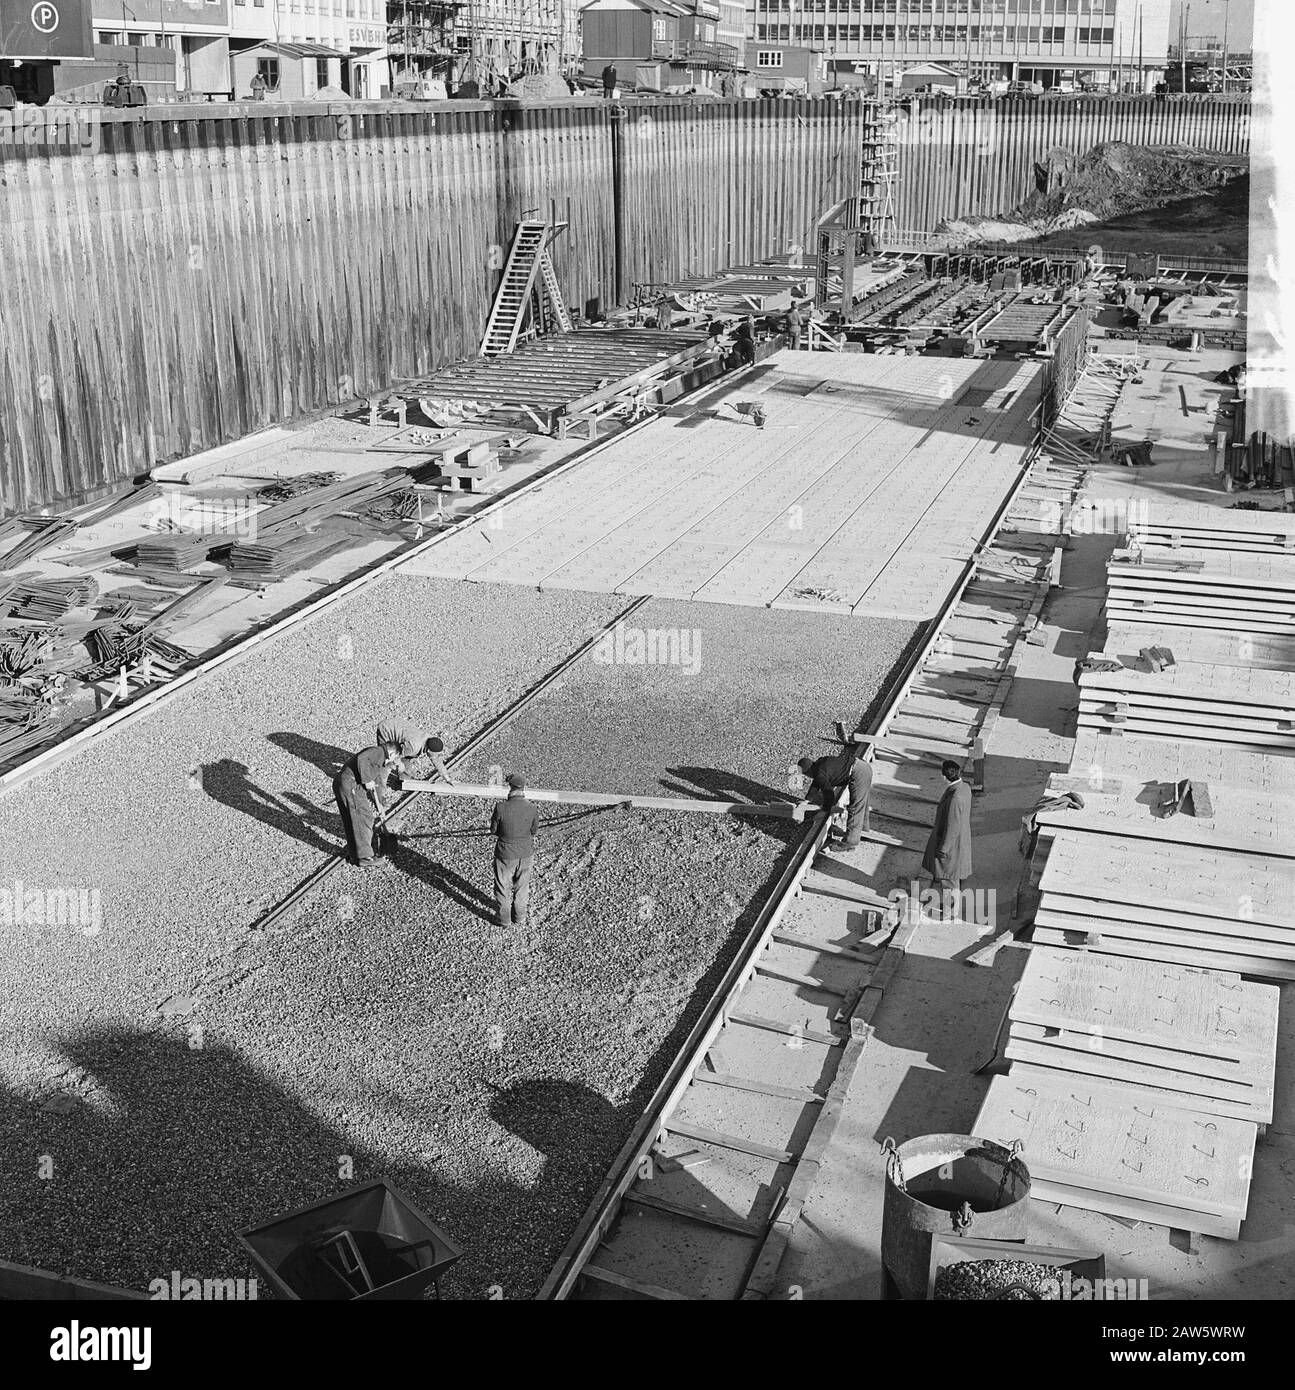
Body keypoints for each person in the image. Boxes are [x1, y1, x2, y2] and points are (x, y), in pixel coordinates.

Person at [334, 742, 401, 867]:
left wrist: (379, 805)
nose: (394, 761)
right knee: (363, 819)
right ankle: (365, 857)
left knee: (352, 820)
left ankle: (355, 854)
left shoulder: (379, 761)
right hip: (350, 784)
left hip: (345, 783)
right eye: (395, 757)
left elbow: (377, 785)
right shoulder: (378, 752)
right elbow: (361, 758)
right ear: (391, 753)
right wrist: (367, 780)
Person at [794, 746, 873, 851]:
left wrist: (825, 809)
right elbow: (817, 783)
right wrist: (807, 800)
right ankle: (863, 827)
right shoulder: (819, 764)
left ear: (807, 772)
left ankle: (849, 842)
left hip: (857, 772)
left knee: (855, 807)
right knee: (862, 802)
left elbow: (829, 793)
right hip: (863, 766)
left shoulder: (819, 773)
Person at [922, 760, 973, 917]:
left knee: (948, 878)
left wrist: (943, 849)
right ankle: (952, 909)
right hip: (961, 841)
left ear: (944, 776)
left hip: (951, 846)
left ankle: (949, 913)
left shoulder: (955, 797)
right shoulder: (965, 787)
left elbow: (952, 826)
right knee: (953, 879)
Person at [492, 772, 539, 928]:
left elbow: (494, 830)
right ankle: (519, 917)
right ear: (524, 787)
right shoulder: (532, 808)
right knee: (522, 887)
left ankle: (504, 920)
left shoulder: (500, 807)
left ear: (510, 787)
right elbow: (533, 831)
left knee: (502, 887)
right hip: (525, 853)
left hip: (505, 853)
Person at [374, 720, 454, 782]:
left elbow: (435, 759)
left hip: (400, 728)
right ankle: (378, 784)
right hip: (387, 729)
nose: (434, 755)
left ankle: (403, 780)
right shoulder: (414, 747)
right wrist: (399, 765)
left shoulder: (431, 741)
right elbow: (396, 757)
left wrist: (447, 777)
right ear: (429, 750)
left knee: (406, 763)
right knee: (386, 760)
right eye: (433, 753)